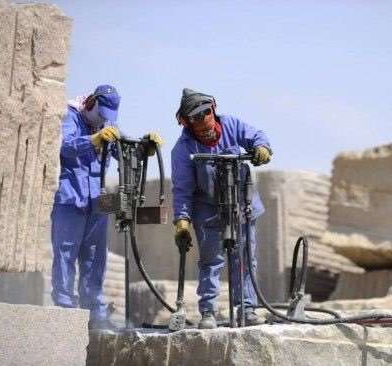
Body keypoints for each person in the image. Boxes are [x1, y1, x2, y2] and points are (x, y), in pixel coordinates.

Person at [50, 84, 163, 329]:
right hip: (70, 200)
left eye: (108, 119)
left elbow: (125, 152)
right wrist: (92, 140)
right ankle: (65, 310)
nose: (103, 122)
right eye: (101, 115)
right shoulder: (69, 116)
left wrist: (146, 147)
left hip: (98, 202)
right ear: (91, 104)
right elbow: (63, 146)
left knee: (95, 259)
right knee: (65, 255)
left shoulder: (107, 127)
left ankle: (95, 315)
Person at [171, 88, 272, 329]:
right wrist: (182, 220)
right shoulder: (184, 149)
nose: (205, 127)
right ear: (187, 123)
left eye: (206, 117)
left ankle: (247, 309)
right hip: (207, 208)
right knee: (211, 261)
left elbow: (257, 135)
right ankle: (208, 311)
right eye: (197, 122)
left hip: (241, 203)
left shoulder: (232, 125)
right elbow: (182, 189)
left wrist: (262, 148)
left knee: (245, 258)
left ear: (213, 111)